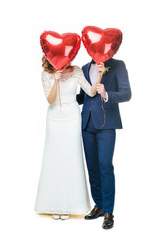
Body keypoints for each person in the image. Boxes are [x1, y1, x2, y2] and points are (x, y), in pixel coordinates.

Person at [34, 56, 100, 220]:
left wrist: (99, 75)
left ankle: (71, 205)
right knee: (54, 158)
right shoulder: (45, 74)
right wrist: (56, 80)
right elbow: (50, 100)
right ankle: (55, 204)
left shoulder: (76, 70)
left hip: (72, 118)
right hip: (54, 119)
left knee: (71, 157)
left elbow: (90, 91)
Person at [76, 58, 131, 229]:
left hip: (107, 124)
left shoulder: (118, 65)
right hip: (87, 124)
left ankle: (108, 211)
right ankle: (98, 205)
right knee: (92, 166)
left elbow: (127, 93)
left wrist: (107, 94)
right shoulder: (84, 67)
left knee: (105, 165)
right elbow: (82, 97)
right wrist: (64, 89)